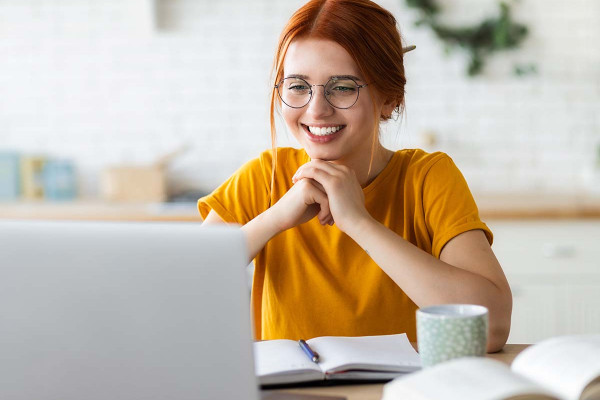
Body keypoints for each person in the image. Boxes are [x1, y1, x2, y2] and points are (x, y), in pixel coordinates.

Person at [199, 0, 512, 352]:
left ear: (389, 98)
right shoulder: (262, 178)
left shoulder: (427, 179)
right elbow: (178, 292)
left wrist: (359, 223)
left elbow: (492, 328)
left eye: (343, 87)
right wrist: (275, 218)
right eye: (298, 86)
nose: (317, 109)